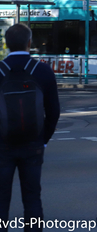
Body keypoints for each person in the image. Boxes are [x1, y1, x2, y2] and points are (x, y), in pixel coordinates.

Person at [0, 23, 60, 232]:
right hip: (33, 144)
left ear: (6, 44)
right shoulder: (42, 71)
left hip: (2, 145)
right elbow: (53, 112)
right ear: (29, 43)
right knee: (32, 198)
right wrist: (42, 139)